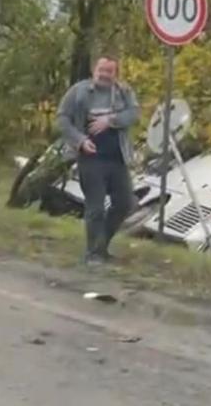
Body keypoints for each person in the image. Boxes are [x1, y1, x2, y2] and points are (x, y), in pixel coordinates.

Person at [56, 55, 140, 265]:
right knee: (96, 207)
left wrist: (110, 120)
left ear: (115, 73)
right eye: (101, 70)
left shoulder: (123, 92)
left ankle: (101, 247)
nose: (104, 75)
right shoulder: (79, 91)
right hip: (90, 157)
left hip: (117, 157)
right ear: (95, 70)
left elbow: (134, 113)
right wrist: (80, 140)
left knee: (125, 203)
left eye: (109, 71)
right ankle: (93, 254)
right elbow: (62, 117)